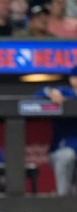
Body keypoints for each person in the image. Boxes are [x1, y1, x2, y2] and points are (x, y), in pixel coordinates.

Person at [34, 66, 77, 196]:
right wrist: (50, 92)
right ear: (73, 80)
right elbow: (36, 96)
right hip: (61, 152)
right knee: (67, 155)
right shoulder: (64, 92)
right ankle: (62, 198)